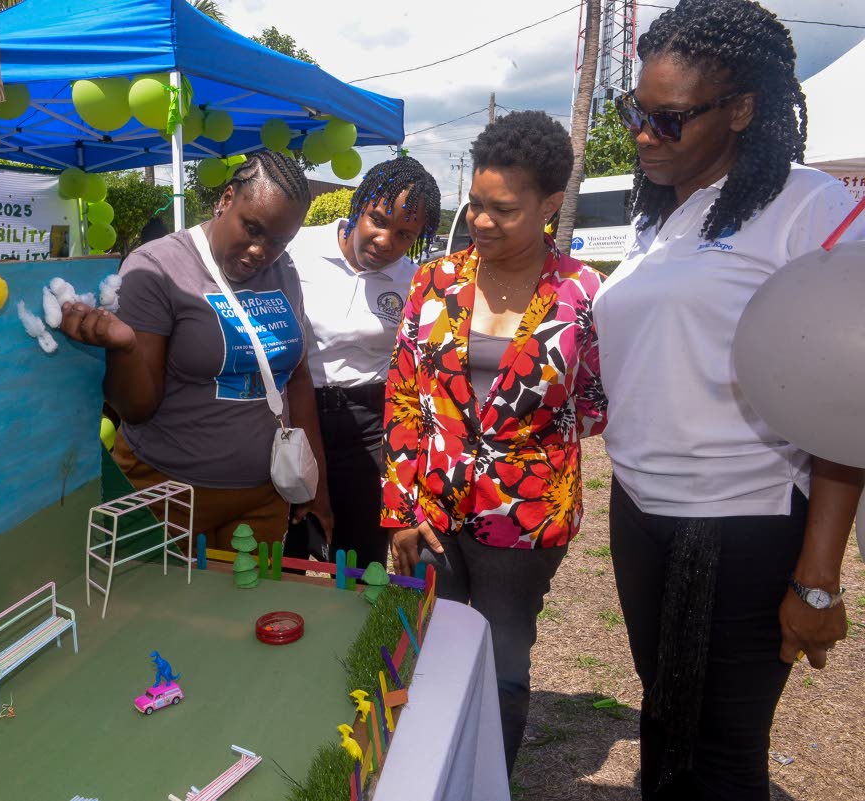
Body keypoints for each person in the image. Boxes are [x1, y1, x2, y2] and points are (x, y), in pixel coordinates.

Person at [593, 2, 865, 799]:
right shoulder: (661, 215)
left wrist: (818, 578)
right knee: (665, 714)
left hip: (742, 518)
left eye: (668, 119)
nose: (643, 132)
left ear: (743, 109)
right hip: (641, 507)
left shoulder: (812, 208)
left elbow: (850, 394)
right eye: (634, 109)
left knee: (722, 748)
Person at [382, 111, 607, 775]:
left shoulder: (582, 294)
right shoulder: (434, 281)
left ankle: (487, 780)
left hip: (526, 521)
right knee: (428, 648)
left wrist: (523, 448)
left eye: (503, 210)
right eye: (475, 204)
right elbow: (402, 394)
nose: (481, 221)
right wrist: (399, 504)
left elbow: (593, 404)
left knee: (504, 658)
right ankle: (425, 775)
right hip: (431, 513)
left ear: (550, 204)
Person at [58, 151, 332, 550]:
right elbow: (137, 409)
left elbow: (299, 379)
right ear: (225, 199)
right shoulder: (156, 266)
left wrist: (317, 484)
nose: (261, 251)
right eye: (252, 229)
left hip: (265, 496)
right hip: (168, 496)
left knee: (249, 609)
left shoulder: (283, 271)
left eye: (279, 240)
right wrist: (126, 348)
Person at [286, 157, 440, 568]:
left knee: (358, 560)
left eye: (406, 234)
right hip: (292, 417)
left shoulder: (414, 281)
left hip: (368, 428)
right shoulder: (296, 248)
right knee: (287, 551)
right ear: (360, 204)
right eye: (378, 219)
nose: (386, 241)